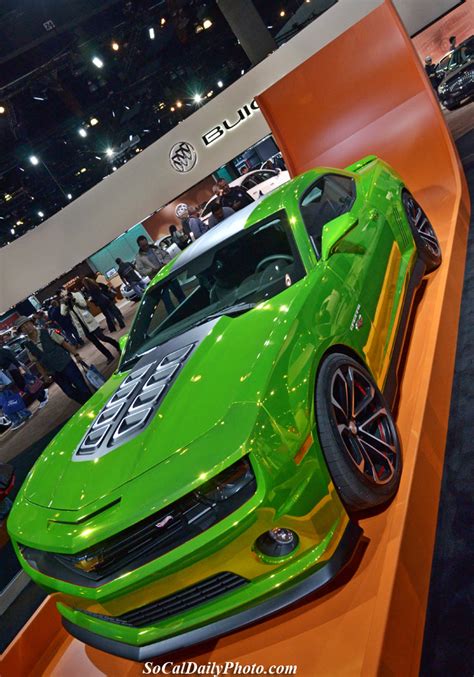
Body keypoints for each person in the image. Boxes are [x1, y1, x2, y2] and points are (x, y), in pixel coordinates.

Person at [17, 316, 91, 405]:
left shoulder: (48, 332)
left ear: (32, 323)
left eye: (27, 324)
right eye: (23, 327)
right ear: (22, 331)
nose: (26, 327)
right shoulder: (28, 345)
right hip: (53, 371)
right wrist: (44, 375)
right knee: (69, 392)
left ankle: (92, 402)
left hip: (66, 364)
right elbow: (37, 362)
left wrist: (76, 355)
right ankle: (86, 404)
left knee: (81, 386)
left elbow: (64, 343)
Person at [60, 290, 121, 364]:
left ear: (67, 291)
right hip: (82, 326)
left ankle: (117, 345)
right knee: (96, 343)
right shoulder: (65, 303)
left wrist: (73, 299)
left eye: (65, 295)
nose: (65, 297)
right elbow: (63, 313)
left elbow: (84, 304)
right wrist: (64, 303)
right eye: (62, 296)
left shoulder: (76, 295)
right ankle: (109, 356)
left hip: (89, 321)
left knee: (102, 337)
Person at [135, 236, 186, 314]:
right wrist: (152, 270)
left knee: (180, 295)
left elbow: (166, 255)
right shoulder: (139, 257)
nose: (146, 247)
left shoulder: (154, 248)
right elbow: (141, 271)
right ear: (139, 246)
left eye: (146, 244)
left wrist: (165, 263)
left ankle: (187, 308)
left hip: (168, 275)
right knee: (167, 301)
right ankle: (175, 317)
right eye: (143, 246)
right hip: (158, 280)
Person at [0, 334, 49, 408]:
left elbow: (14, 360)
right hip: (12, 371)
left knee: (28, 385)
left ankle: (42, 398)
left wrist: (20, 369)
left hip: (16, 368)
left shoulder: (3, 351)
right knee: (26, 386)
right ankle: (43, 393)